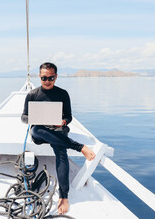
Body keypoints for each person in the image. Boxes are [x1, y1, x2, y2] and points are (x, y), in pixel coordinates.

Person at [21, 62, 96, 215]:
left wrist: (63, 121)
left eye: (51, 78)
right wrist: (32, 118)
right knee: (38, 129)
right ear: (39, 77)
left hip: (57, 129)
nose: (47, 81)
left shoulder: (63, 94)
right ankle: (78, 146)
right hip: (40, 131)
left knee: (61, 152)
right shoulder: (32, 95)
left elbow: (68, 117)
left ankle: (64, 196)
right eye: (44, 78)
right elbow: (23, 117)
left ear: (56, 77)